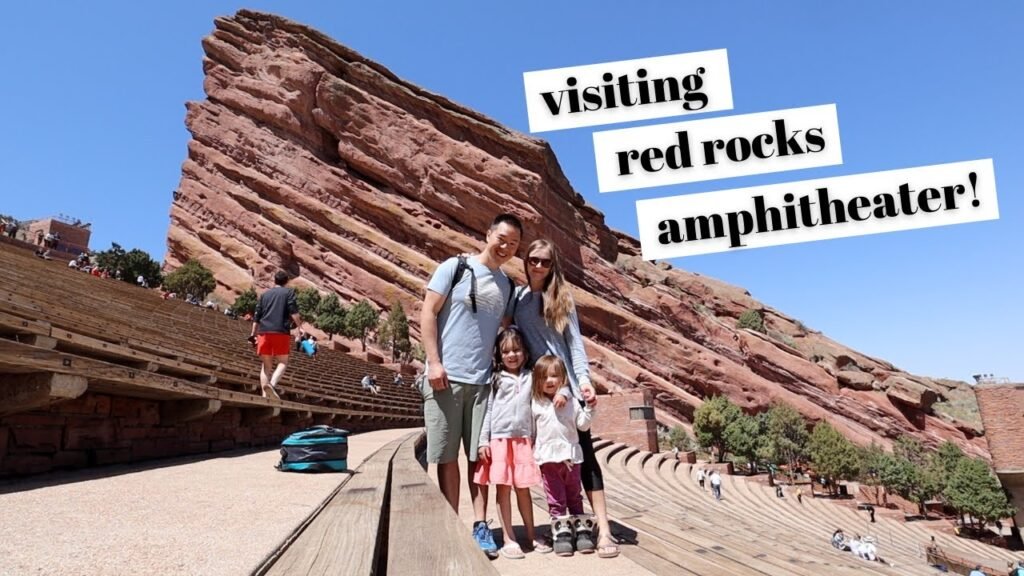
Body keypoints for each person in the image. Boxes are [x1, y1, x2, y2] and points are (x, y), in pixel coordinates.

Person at [419, 213, 521, 557]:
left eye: (514, 243)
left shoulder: (506, 285)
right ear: (488, 233)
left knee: (480, 458)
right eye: (502, 238)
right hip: (445, 377)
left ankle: (480, 525)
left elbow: (505, 331)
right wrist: (434, 362)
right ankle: (451, 524)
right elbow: (428, 312)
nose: (506, 247)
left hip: (482, 383)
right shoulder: (455, 267)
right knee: (446, 457)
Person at [512, 238, 618, 559]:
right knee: (552, 463)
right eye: (534, 260)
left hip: (569, 391)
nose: (539, 266)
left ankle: (603, 530)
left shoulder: (562, 297)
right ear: (526, 261)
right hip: (541, 394)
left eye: (545, 261)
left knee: (584, 459)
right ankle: (564, 524)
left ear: (552, 264)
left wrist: (582, 382)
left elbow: (575, 346)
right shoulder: (517, 299)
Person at [473, 327, 549, 559]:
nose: (512, 355)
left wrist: (537, 439)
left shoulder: (531, 377)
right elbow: (487, 410)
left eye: (516, 349)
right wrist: (483, 440)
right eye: (506, 351)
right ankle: (508, 538)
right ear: (499, 354)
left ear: (525, 352)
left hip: (523, 440)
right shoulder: (495, 379)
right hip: (499, 440)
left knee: (523, 490)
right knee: (503, 490)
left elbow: (537, 409)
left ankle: (531, 534)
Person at [532, 355, 594, 557]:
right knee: (555, 498)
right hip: (549, 461)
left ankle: (581, 532)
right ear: (537, 381)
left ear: (562, 378)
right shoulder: (536, 404)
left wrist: (591, 407)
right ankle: (562, 534)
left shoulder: (572, 402)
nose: (549, 381)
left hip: (570, 457)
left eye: (554, 376)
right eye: (544, 377)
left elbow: (583, 424)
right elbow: (533, 432)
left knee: (574, 494)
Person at [249, 270, 302, 399]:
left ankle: (264, 395)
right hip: (280, 332)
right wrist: (299, 328)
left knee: (266, 366)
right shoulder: (288, 293)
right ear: (287, 281)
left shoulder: (264, 295)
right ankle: (271, 385)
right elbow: (294, 312)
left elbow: (257, 317)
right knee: (283, 362)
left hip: (263, 332)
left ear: (275, 281)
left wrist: (252, 334)